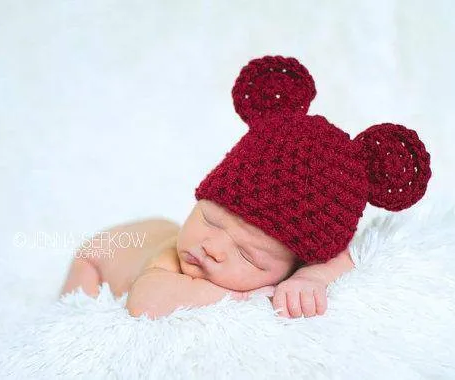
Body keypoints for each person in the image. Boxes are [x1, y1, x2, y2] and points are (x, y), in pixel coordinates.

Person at [60, 54, 432, 320]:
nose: (212, 247)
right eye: (210, 219)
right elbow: (146, 301)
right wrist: (240, 296)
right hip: (102, 253)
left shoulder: (302, 259)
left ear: (296, 260)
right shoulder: (172, 259)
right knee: (76, 309)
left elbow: (343, 258)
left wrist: (311, 279)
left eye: (248, 255)